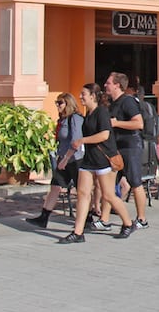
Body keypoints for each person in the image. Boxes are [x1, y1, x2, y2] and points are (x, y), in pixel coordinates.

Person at [57, 83, 135, 243]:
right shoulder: (88, 115)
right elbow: (76, 142)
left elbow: (105, 135)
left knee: (108, 195)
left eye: (83, 94)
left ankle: (128, 223)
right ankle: (78, 233)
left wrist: (83, 140)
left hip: (104, 160)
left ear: (93, 96)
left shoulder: (102, 113)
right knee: (82, 194)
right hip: (88, 160)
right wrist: (66, 158)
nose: (80, 97)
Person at [95, 72, 148, 231]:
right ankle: (104, 220)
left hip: (130, 146)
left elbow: (139, 124)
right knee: (108, 185)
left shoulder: (128, 102)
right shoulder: (112, 103)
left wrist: (117, 123)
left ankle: (142, 219)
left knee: (135, 182)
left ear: (118, 85)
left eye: (108, 83)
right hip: (115, 148)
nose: (105, 86)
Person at [27, 92, 83, 229]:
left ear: (68, 104)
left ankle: (87, 218)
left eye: (60, 103)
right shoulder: (62, 120)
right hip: (63, 159)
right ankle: (44, 217)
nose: (57, 106)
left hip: (75, 160)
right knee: (55, 187)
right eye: (56, 103)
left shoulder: (75, 119)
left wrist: (66, 158)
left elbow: (76, 141)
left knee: (81, 190)